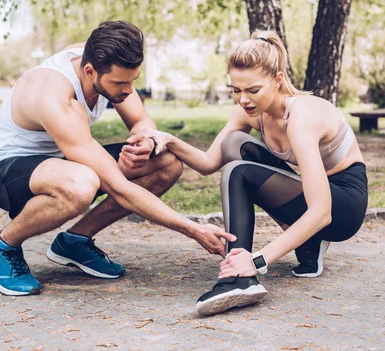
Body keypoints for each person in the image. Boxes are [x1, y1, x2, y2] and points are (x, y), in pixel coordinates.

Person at [0, 20, 235, 296]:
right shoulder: (55, 97)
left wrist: (144, 141)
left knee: (166, 160)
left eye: (132, 80)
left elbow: (141, 119)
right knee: (80, 184)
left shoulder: (103, 60)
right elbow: (119, 189)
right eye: (121, 83)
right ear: (89, 71)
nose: (127, 89)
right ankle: (2, 246)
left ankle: (74, 242)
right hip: (3, 170)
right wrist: (193, 230)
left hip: (61, 158)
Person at [148, 30, 368, 315]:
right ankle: (308, 247)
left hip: (344, 207)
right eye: (236, 90)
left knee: (238, 172)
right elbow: (207, 163)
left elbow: (322, 211)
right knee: (235, 145)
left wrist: (258, 259)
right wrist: (169, 140)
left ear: (277, 80)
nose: (244, 100)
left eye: (253, 90)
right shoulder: (251, 111)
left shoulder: (302, 118)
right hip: (313, 192)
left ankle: (241, 277)